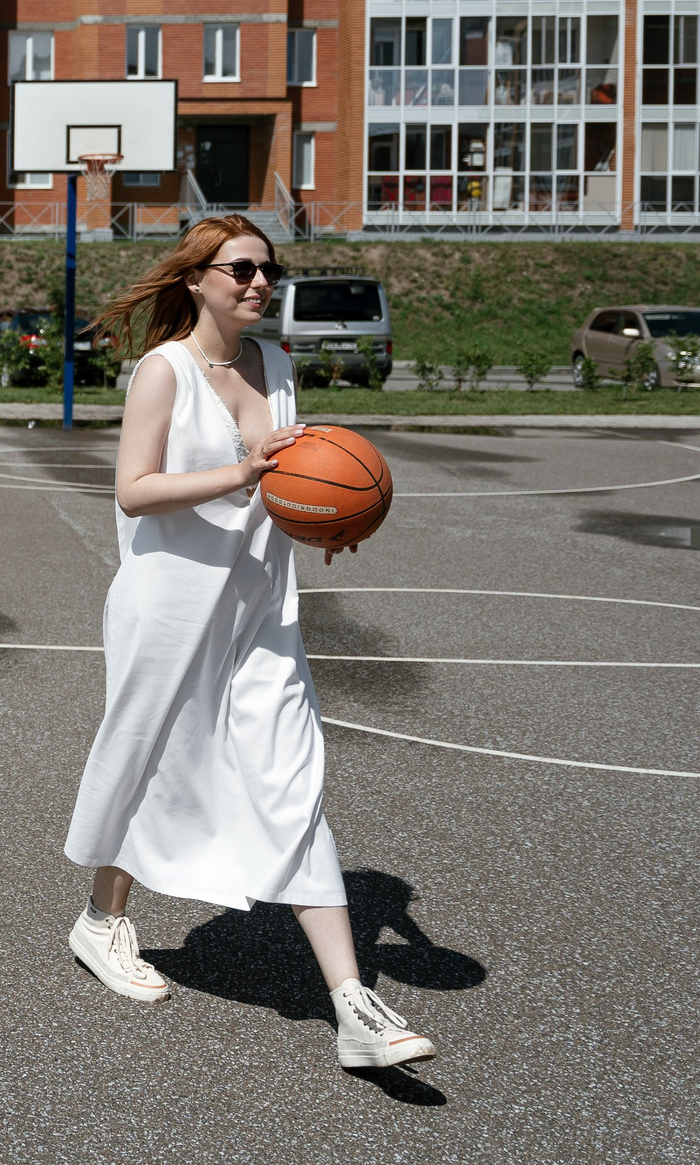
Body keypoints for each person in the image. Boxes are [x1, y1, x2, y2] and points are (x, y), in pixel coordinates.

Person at [60, 215, 437, 1072]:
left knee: (290, 779)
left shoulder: (276, 366)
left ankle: (354, 1005)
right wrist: (241, 472)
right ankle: (101, 918)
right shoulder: (164, 371)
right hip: (169, 606)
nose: (259, 282)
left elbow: (293, 484)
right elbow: (133, 490)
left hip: (261, 609)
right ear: (197, 279)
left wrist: (322, 521)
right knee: (149, 761)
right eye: (240, 269)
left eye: (269, 269)